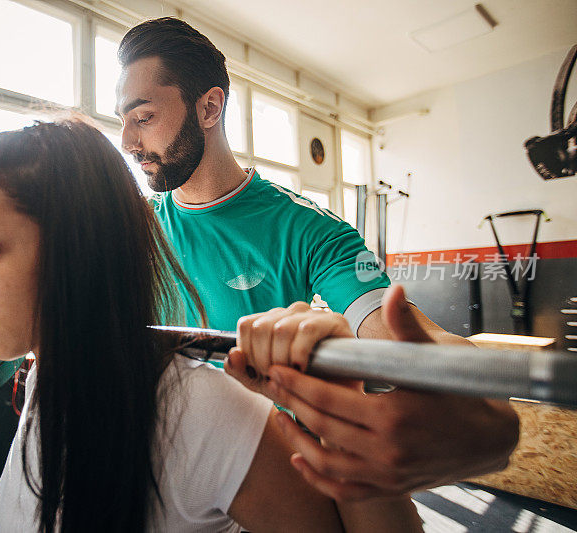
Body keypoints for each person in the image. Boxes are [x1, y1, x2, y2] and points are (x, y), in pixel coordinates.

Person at [0, 119, 422, 531]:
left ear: (77, 252)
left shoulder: (202, 411)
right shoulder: (48, 375)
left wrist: (341, 408)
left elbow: (393, 331)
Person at [115, 17, 519, 501]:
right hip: (159, 469)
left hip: (269, 483)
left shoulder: (310, 229)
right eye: (123, 121)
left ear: (209, 107)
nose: (127, 142)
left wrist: (486, 407)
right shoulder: (134, 228)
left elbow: (406, 331)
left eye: (142, 118)